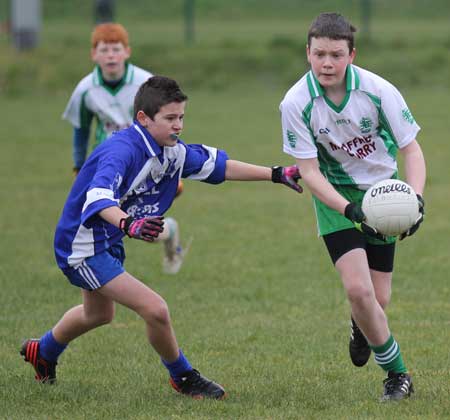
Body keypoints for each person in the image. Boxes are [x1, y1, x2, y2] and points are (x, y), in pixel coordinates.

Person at [20, 75, 303, 399]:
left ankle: (41, 352)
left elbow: (220, 167)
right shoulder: (121, 151)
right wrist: (129, 224)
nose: (179, 125)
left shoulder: (171, 151)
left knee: (99, 314)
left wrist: (276, 174)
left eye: (181, 117)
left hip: (108, 238)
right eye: (170, 118)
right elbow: (98, 199)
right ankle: (183, 377)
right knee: (155, 309)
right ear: (143, 118)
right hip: (82, 246)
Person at [279, 13, 426, 402]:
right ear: (307, 53)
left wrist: (416, 198)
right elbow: (308, 171)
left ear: (351, 55)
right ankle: (398, 377)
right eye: (319, 54)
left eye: (336, 55)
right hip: (334, 198)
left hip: (383, 195)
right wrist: (348, 209)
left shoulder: (379, 91)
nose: (327, 63)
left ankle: (361, 326)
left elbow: (411, 148)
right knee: (359, 290)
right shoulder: (296, 102)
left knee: (379, 301)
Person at [62, 22, 186, 275]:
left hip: (143, 163)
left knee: (135, 226)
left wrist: (174, 167)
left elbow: (170, 123)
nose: (110, 55)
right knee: (113, 221)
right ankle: (105, 275)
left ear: (127, 52)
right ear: (93, 54)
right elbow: (81, 130)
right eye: (104, 50)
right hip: (108, 166)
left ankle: (167, 232)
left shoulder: (144, 82)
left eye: (116, 49)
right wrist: (78, 165)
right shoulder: (85, 89)